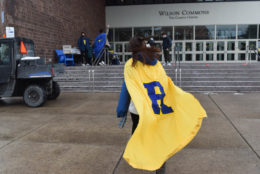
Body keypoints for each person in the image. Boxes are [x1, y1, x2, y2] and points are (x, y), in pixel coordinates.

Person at [116, 36, 206, 173]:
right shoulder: (156, 62)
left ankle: (146, 158)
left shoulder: (131, 64)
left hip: (138, 109)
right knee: (159, 135)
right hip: (158, 107)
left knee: (140, 135)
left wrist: (121, 109)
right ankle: (160, 163)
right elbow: (164, 82)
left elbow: (126, 87)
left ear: (131, 48)